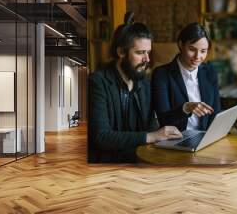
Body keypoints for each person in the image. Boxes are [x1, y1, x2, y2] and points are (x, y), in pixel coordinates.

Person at [88, 13, 182, 163]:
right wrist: (151, 136)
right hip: (107, 166)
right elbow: (101, 136)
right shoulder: (97, 82)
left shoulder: (144, 83)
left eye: (148, 52)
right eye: (140, 53)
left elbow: (150, 125)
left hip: (138, 158)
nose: (147, 60)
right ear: (121, 52)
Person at [151, 23, 221, 132]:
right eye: (192, 49)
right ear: (181, 45)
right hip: (176, 138)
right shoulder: (162, 75)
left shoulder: (210, 72)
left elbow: (215, 111)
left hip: (204, 137)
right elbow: (163, 120)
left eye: (203, 51)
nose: (198, 57)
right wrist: (186, 108)